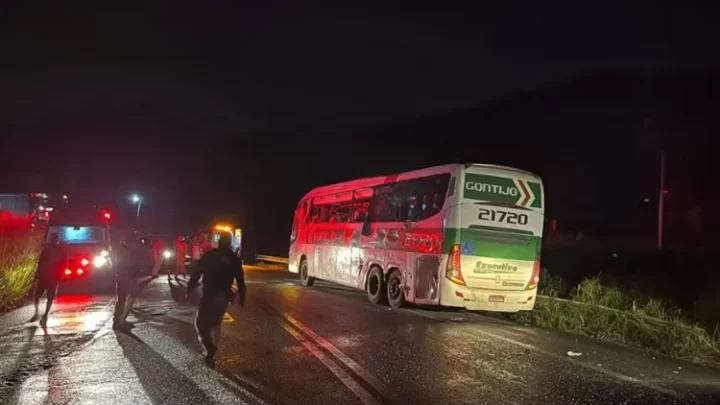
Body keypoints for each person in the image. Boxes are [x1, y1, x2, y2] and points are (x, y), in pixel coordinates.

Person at [186, 234, 246, 368]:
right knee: (215, 323)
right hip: (222, 295)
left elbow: (196, 274)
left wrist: (189, 289)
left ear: (219, 242)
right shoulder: (233, 258)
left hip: (209, 293)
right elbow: (240, 281)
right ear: (230, 243)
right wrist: (242, 296)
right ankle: (211, 351)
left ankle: (210, 349)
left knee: (201, 323)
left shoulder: (209, 255)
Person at [32, 232, 67, 327]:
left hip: (44, 276)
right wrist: (61, 275)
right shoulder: (61, 251)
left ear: (51, 239)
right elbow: (64, 264)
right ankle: (45, 314)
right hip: (53, 277)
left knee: (37, 295)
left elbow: (41, 263)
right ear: (57, 240)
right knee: (50, 298)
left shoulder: (46, 250)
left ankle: (36, 312)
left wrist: (36, 277)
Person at [113, 236, 139, 330]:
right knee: (123, 299)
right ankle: (119, 321)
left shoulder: (124, 251)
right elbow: (125, 265)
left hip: (125, 277)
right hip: (125, 278)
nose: (134, 245)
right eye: (133, 243)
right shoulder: (124, 252)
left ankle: (120, 320)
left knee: (125, 299)